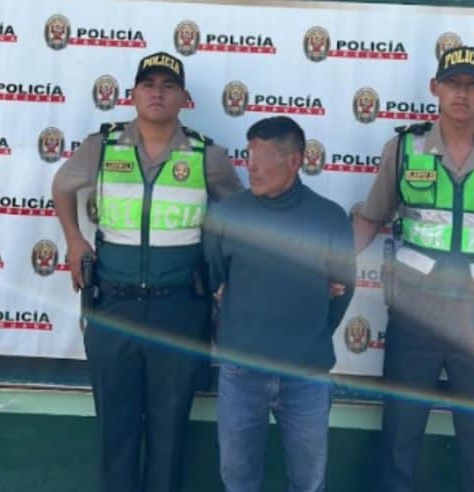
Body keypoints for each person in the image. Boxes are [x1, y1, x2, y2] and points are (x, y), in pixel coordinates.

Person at [51, 51, 243, 492]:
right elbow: (61, 186)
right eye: (149, 85)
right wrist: (74, 238)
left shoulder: (207, 155)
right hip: (112, 308)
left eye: (168, 86)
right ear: (133, 94)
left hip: (180, 309)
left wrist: (227, 273)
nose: (158, 93)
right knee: (115, 431)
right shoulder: (102, 146)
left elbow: (240, 219)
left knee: (169, 432)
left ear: (184, 98)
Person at [352, 46, 474, 492]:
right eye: (452, 83)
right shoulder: (404, 148)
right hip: (416, 318)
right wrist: (328, 267)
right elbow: (370, 219)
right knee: (400, 437)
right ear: (435, 87)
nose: (461, 94)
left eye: (472, 85)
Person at [202, 116, 357, 492]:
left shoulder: (329, 218)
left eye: (261, 157)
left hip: (306, 375)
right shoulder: (228, 215)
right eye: (248, 155)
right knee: (239, 479)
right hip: (241, 373)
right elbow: (215, 277)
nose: (250, 167)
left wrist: (309, 332)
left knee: (308, 482)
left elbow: (343, 291)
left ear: (294, 161)